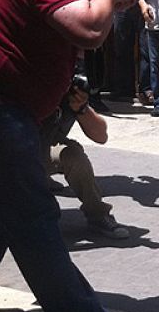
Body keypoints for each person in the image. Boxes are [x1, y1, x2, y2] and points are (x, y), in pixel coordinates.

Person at [0, 0, 145, 312]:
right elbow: (91, 29)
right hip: (5, 111)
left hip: (14, 110)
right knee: (33, 219)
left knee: (4, 218)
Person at [39, 78, 131, 240]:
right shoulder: (24, 84)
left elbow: (101, 136)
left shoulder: (67, 92)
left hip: (44, 149)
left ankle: (97, 215)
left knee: (74, 155)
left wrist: (80, 107)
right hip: (14, 152)